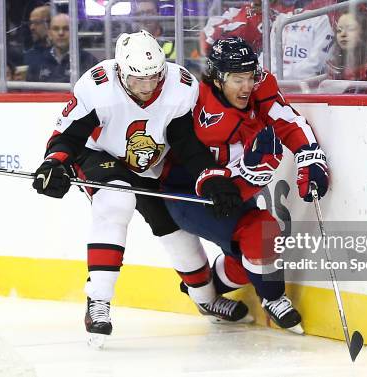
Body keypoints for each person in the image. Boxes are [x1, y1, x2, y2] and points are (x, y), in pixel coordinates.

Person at [31, 30, 247, 347]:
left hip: (151, 163)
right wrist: (54, 164)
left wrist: (210, 175)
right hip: (100, 155)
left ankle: (205, 298)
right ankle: (99, 300)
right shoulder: (97, 85)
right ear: (121, 71)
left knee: (176, 229)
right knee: (116, 202)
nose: (147, 87)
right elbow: (69, 136)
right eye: (138, 80)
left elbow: (186, 142)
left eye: (153, 78)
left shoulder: (181, 86)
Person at [162, 37, 330, 334]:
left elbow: (287, 120)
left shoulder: (260, 87)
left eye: (250, 76)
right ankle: (273, 297)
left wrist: (310, 157)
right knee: (259, 231)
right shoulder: (191, 97)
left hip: (233, 182)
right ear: (216, 77)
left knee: (248, 256)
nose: (247, 86)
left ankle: (206, 290)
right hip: (189, 191)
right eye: (237, 79)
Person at [25, 13, 98, 82]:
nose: (61, 33)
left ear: (74, 32)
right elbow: (27, 92)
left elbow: (102, 90)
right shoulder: (36, 61)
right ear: (49, 34)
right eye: (56, 29)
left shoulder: (90, 61)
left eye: (66, 29)